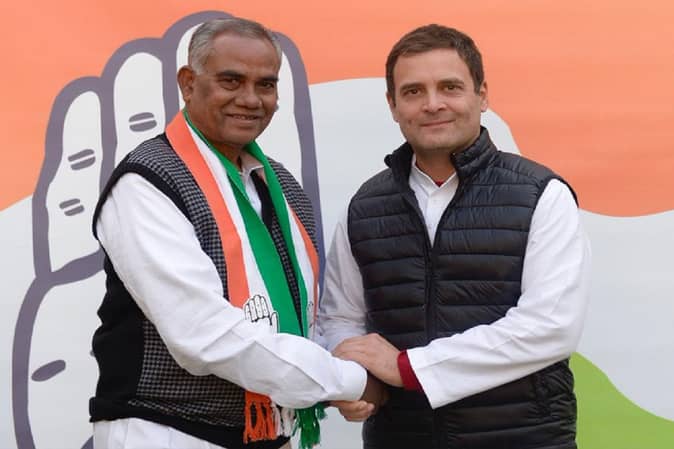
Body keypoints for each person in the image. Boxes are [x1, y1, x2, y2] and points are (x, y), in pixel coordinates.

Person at [89, 17, 384, 449]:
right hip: (167, 431)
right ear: (188, 83)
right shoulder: (147, 181)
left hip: (270, 431)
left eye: (266, 84)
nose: (250, 99)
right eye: (231, 80)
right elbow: (202, 334)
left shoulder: (281, 187)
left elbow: (296, 319)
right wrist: (347, 380)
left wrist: (336, 375)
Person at [319, 24, 591, 449]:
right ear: (393, 105)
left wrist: (408, 368)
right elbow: (339, 320)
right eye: (413, 91)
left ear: (482, 95)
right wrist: (355, 380)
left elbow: (549, 327)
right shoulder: (364, 207)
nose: (433, 104)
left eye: (450, 87)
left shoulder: (541, 194)